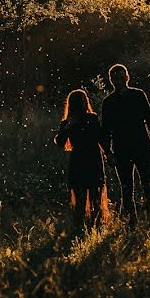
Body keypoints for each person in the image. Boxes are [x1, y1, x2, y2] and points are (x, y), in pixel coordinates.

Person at [101, 64, 150, 225]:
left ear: (127, 78)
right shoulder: (108, 102)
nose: (118, 82)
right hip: (122, 149)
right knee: (126, 187)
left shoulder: (138, 95)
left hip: (142, 146)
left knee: (148, 184)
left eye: (121, 78)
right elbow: (104, 131)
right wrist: (109, 153)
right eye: (115, 79)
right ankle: (131, 222)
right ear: (111, 81)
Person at [54, 89, 110, 232]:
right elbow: (101, 139)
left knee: (81, 198)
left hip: (79, 159)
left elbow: (60, 143)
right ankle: (95, 227)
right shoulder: (91, 118)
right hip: (92, 158)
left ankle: (82, 227)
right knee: (94, 196)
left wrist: (66, 128)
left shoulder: (70, 121)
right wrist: (109, 154)